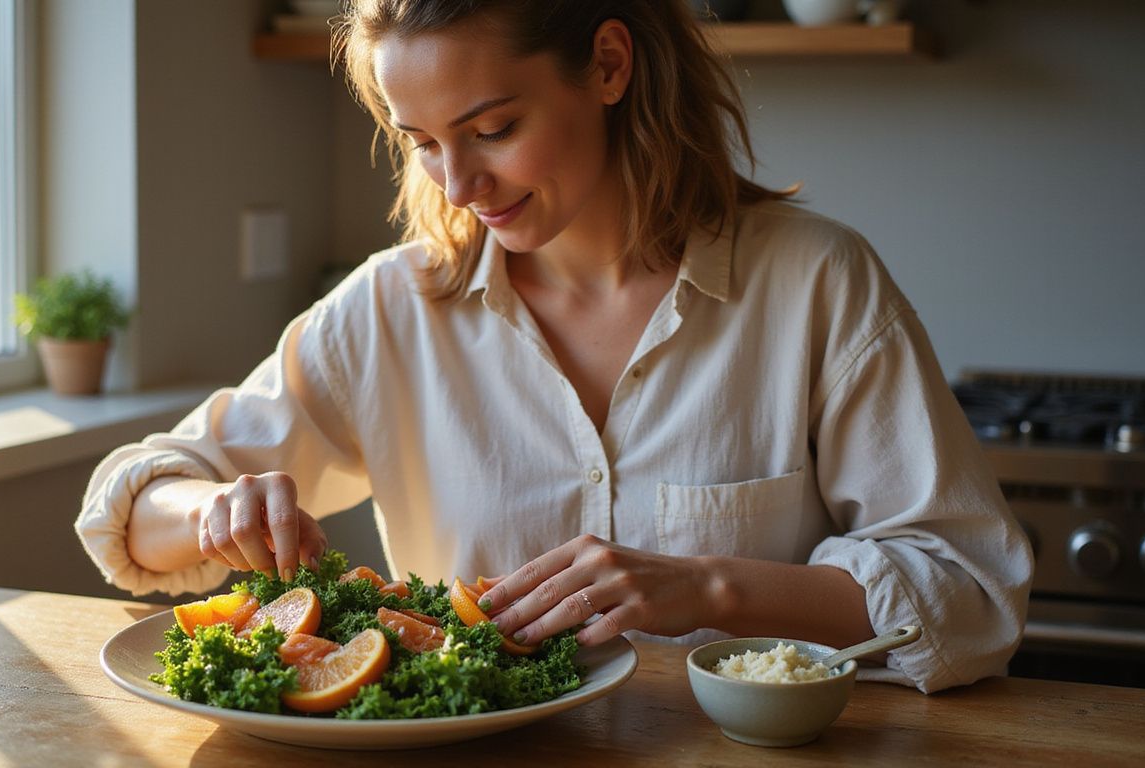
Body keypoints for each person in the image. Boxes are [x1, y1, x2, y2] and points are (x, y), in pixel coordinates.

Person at [76, 0, 1032, 693]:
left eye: (492, 128)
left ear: (609, 63)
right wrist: (213, 511)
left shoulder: (818, 284)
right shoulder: (390, 309)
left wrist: (706, 587)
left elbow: (968, 591)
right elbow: (133, 512)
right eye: (421, 142)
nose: (458, 183)